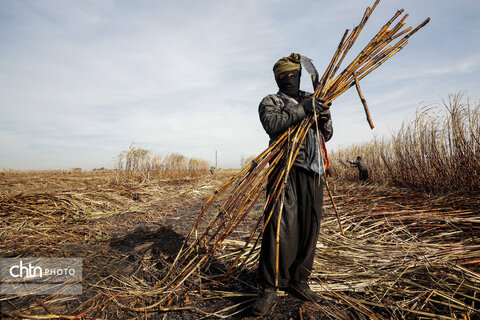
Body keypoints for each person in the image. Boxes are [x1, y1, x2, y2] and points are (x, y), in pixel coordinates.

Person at [252, 53, 333, 316]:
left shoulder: (314, 99)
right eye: (281, 77)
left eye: (291, 76)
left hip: (314, 170)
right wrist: (302, 110)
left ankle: (299, 280)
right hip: (284, 169)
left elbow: (327, 134)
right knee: (279, 226)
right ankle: (269, 286)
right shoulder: (271, 101)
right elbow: (272, 124)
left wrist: (322, 118)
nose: (287, 80)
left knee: (310, 226)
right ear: (276, 79)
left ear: (299, 76)